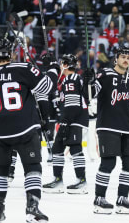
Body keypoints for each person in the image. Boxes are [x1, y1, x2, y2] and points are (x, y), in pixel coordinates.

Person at [0, 38, 57, 221]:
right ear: (12, 53)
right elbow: (47, 88)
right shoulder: (24, 68)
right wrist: (52, 68)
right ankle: (32, 208)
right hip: (25, 128)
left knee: (0, 170)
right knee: (32, 167)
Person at [83, 46, 129, 214]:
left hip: (128, 128)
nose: (126, 60)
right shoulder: (104, 75)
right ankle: (99, 198)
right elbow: (88, 95)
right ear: (116, 59)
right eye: (123, 56)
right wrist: (87, 81)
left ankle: (122, 198)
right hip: (107, 126)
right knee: (109, 162)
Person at [43, 54, 89, 194]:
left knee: (75, 148)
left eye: (62, 63)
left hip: (73, 119)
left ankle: (81, 180)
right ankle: (58, 180)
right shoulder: (69, 80)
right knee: (57, 148)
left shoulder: (71, 78)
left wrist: (65, 121)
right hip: (72, 118)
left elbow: (73, 103)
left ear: (65, 64)